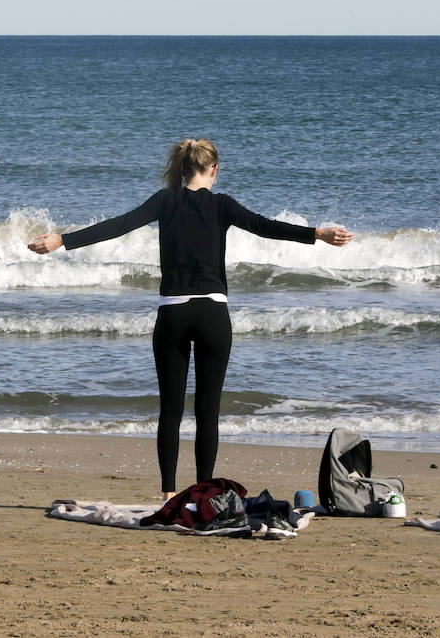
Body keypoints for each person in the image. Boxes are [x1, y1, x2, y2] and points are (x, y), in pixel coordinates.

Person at [28, 139, 352, 500]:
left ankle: (168, 495)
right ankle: (202, 494)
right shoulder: (222, 205)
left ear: (182, 170)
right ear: (214, 169)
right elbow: (265, 226)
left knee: (171, 410)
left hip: (173, 314)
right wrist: (317, 235)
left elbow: (118, 225)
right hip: (214, 314)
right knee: (207, 412)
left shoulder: (164, 201)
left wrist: (62, 240)